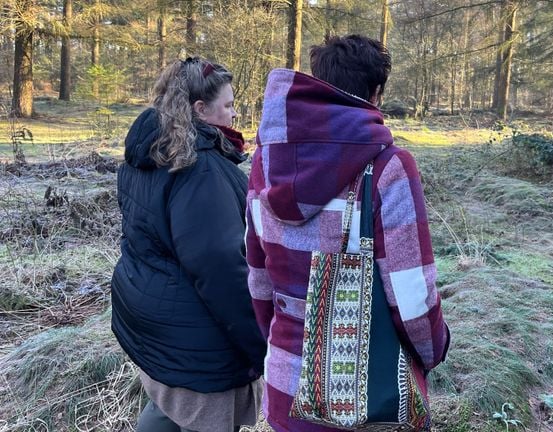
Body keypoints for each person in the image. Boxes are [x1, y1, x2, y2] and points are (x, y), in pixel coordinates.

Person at [245, 35, 450, 431]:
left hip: (285, 390)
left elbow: (258, 279)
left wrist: (282, 340)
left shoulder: (265, 164)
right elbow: (413, 299)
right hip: (370, 400)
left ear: (319, 82)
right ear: (376, 94)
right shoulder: (389, 167)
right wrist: (434, 350)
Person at [111, 57, 267, 432]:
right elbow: (221, 270)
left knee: (165, 405)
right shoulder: (201, 170)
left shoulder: (153, 149)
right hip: (197, 339)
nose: (234, 114)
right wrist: (261, 344)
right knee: (193, 411)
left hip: (154, 321)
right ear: (200, 109)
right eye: (227, 106)